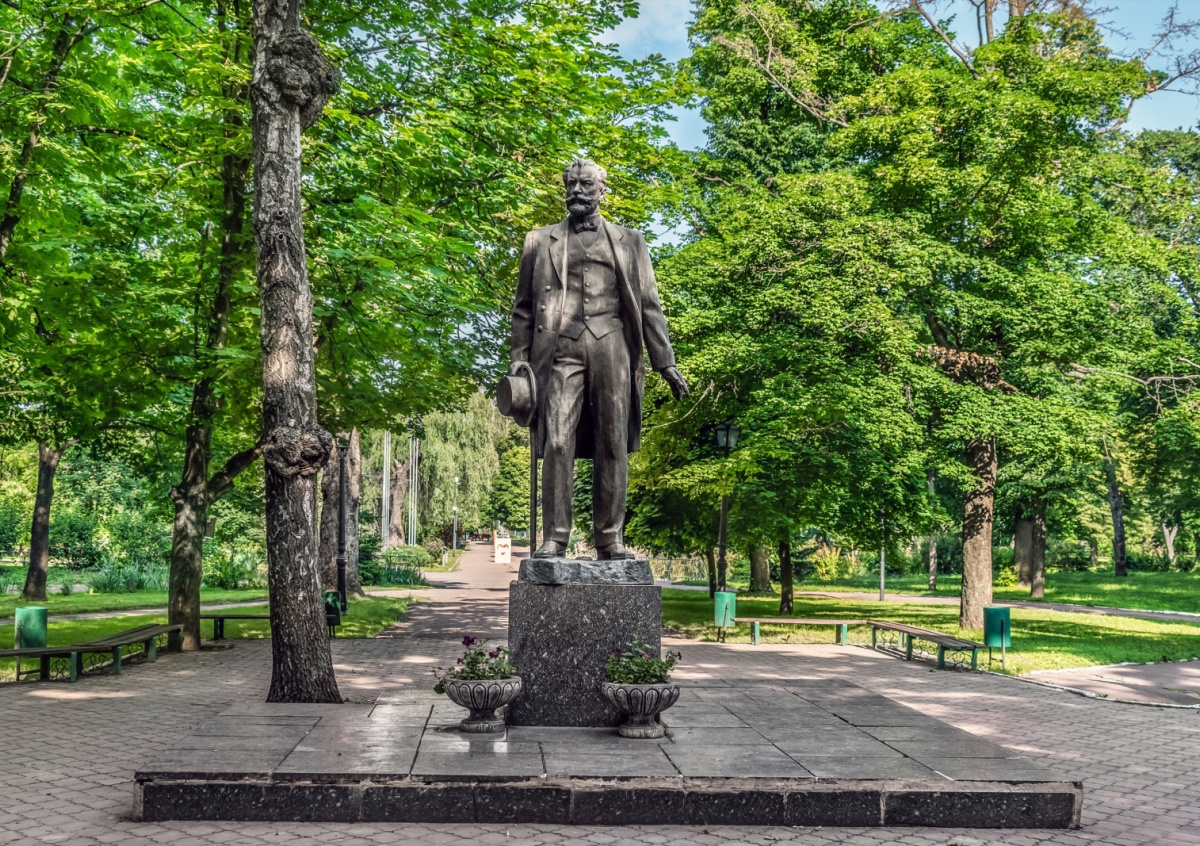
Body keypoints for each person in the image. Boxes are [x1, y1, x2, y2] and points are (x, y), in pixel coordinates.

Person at [507, 158, 689, 560]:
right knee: (557, 440)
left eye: (586, 185)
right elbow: (523, 309)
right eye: (571, 184)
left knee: (613, 441)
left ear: (603, 191)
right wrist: (519, 365)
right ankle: (555, 537)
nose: (576, 191)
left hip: (613, 346)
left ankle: (610, 539)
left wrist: (665, 362)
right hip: (560, 350)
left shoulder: (631, 241)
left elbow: (649, 304)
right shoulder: (539, 240)